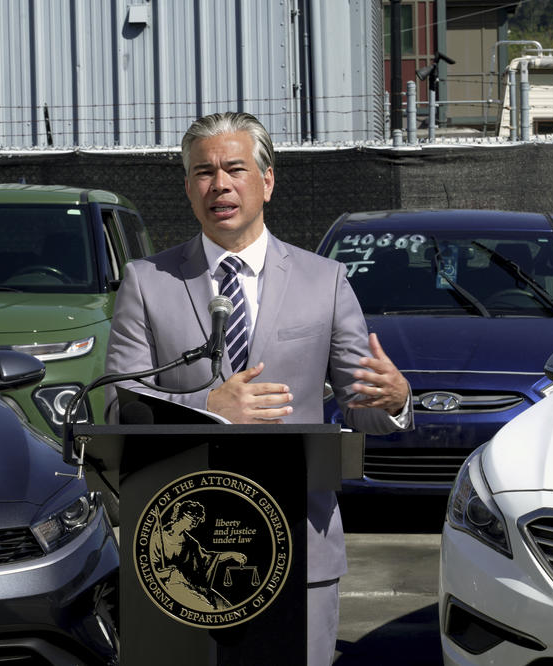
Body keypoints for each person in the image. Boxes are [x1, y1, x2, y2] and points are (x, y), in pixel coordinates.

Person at [105, 111, 412, 665]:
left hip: (297, 543)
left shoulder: (325, 281)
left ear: (267, 181)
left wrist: (393, 401)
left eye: (234, 169)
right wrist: (208, 407)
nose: (219, 184)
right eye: (203, 172)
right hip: (181, 552)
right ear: (188, 187)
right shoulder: (147, 283)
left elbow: (358, 404)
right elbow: (115, 406)